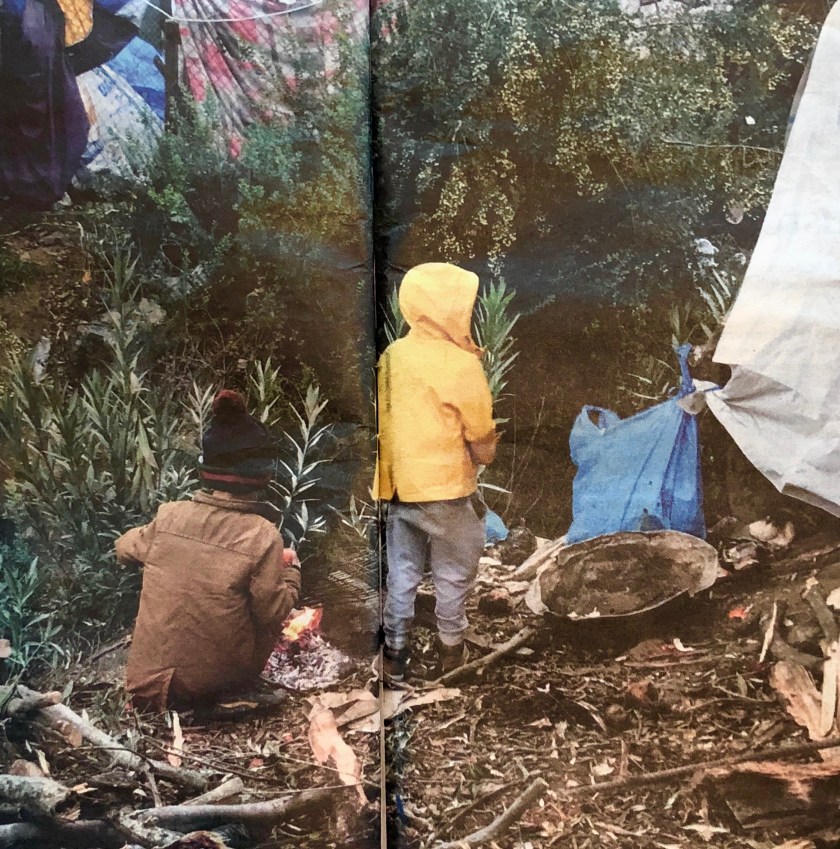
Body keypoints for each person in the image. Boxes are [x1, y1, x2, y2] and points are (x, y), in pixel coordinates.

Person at [115, 390, 301, 712]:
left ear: (205, 469)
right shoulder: (262, 536)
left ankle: (173, 683)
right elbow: (273, 612)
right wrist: (292, 571)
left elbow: (123, 549)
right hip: (209, 687)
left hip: (146, 685)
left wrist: (154, 543)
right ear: (264, 477)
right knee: (270, 605)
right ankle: (230, 692)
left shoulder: (169, 515)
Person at [375, 262, 498, 683]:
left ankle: (394, 652)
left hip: (399, 489)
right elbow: (482, 436)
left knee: (402, 571)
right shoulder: (461, 364)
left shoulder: (392, 355)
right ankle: (451, 649)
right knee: (454, 569)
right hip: (447, 489)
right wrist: (483, 454)